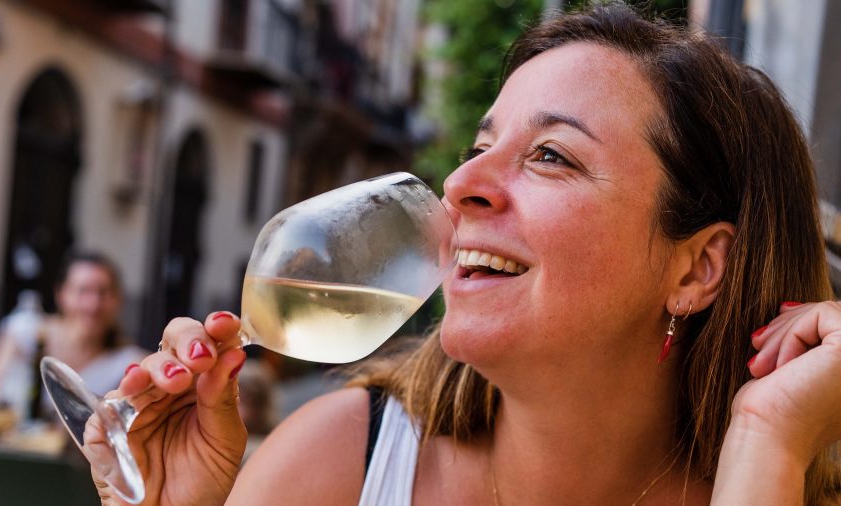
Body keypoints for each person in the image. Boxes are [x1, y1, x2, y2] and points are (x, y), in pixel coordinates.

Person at [93, 3, 841, 505]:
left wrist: (767, 437)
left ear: (696, 268)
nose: (459, 184)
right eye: (481, 146)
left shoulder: (765, 480)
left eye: (551, 155)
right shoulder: (339, 464)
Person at [0, 251, 145, 420]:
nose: (93, 304)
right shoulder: (26, 332)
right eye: (83, 291)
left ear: (118, 299)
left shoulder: (126, 361)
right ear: (61, 295)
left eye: (103, 292)